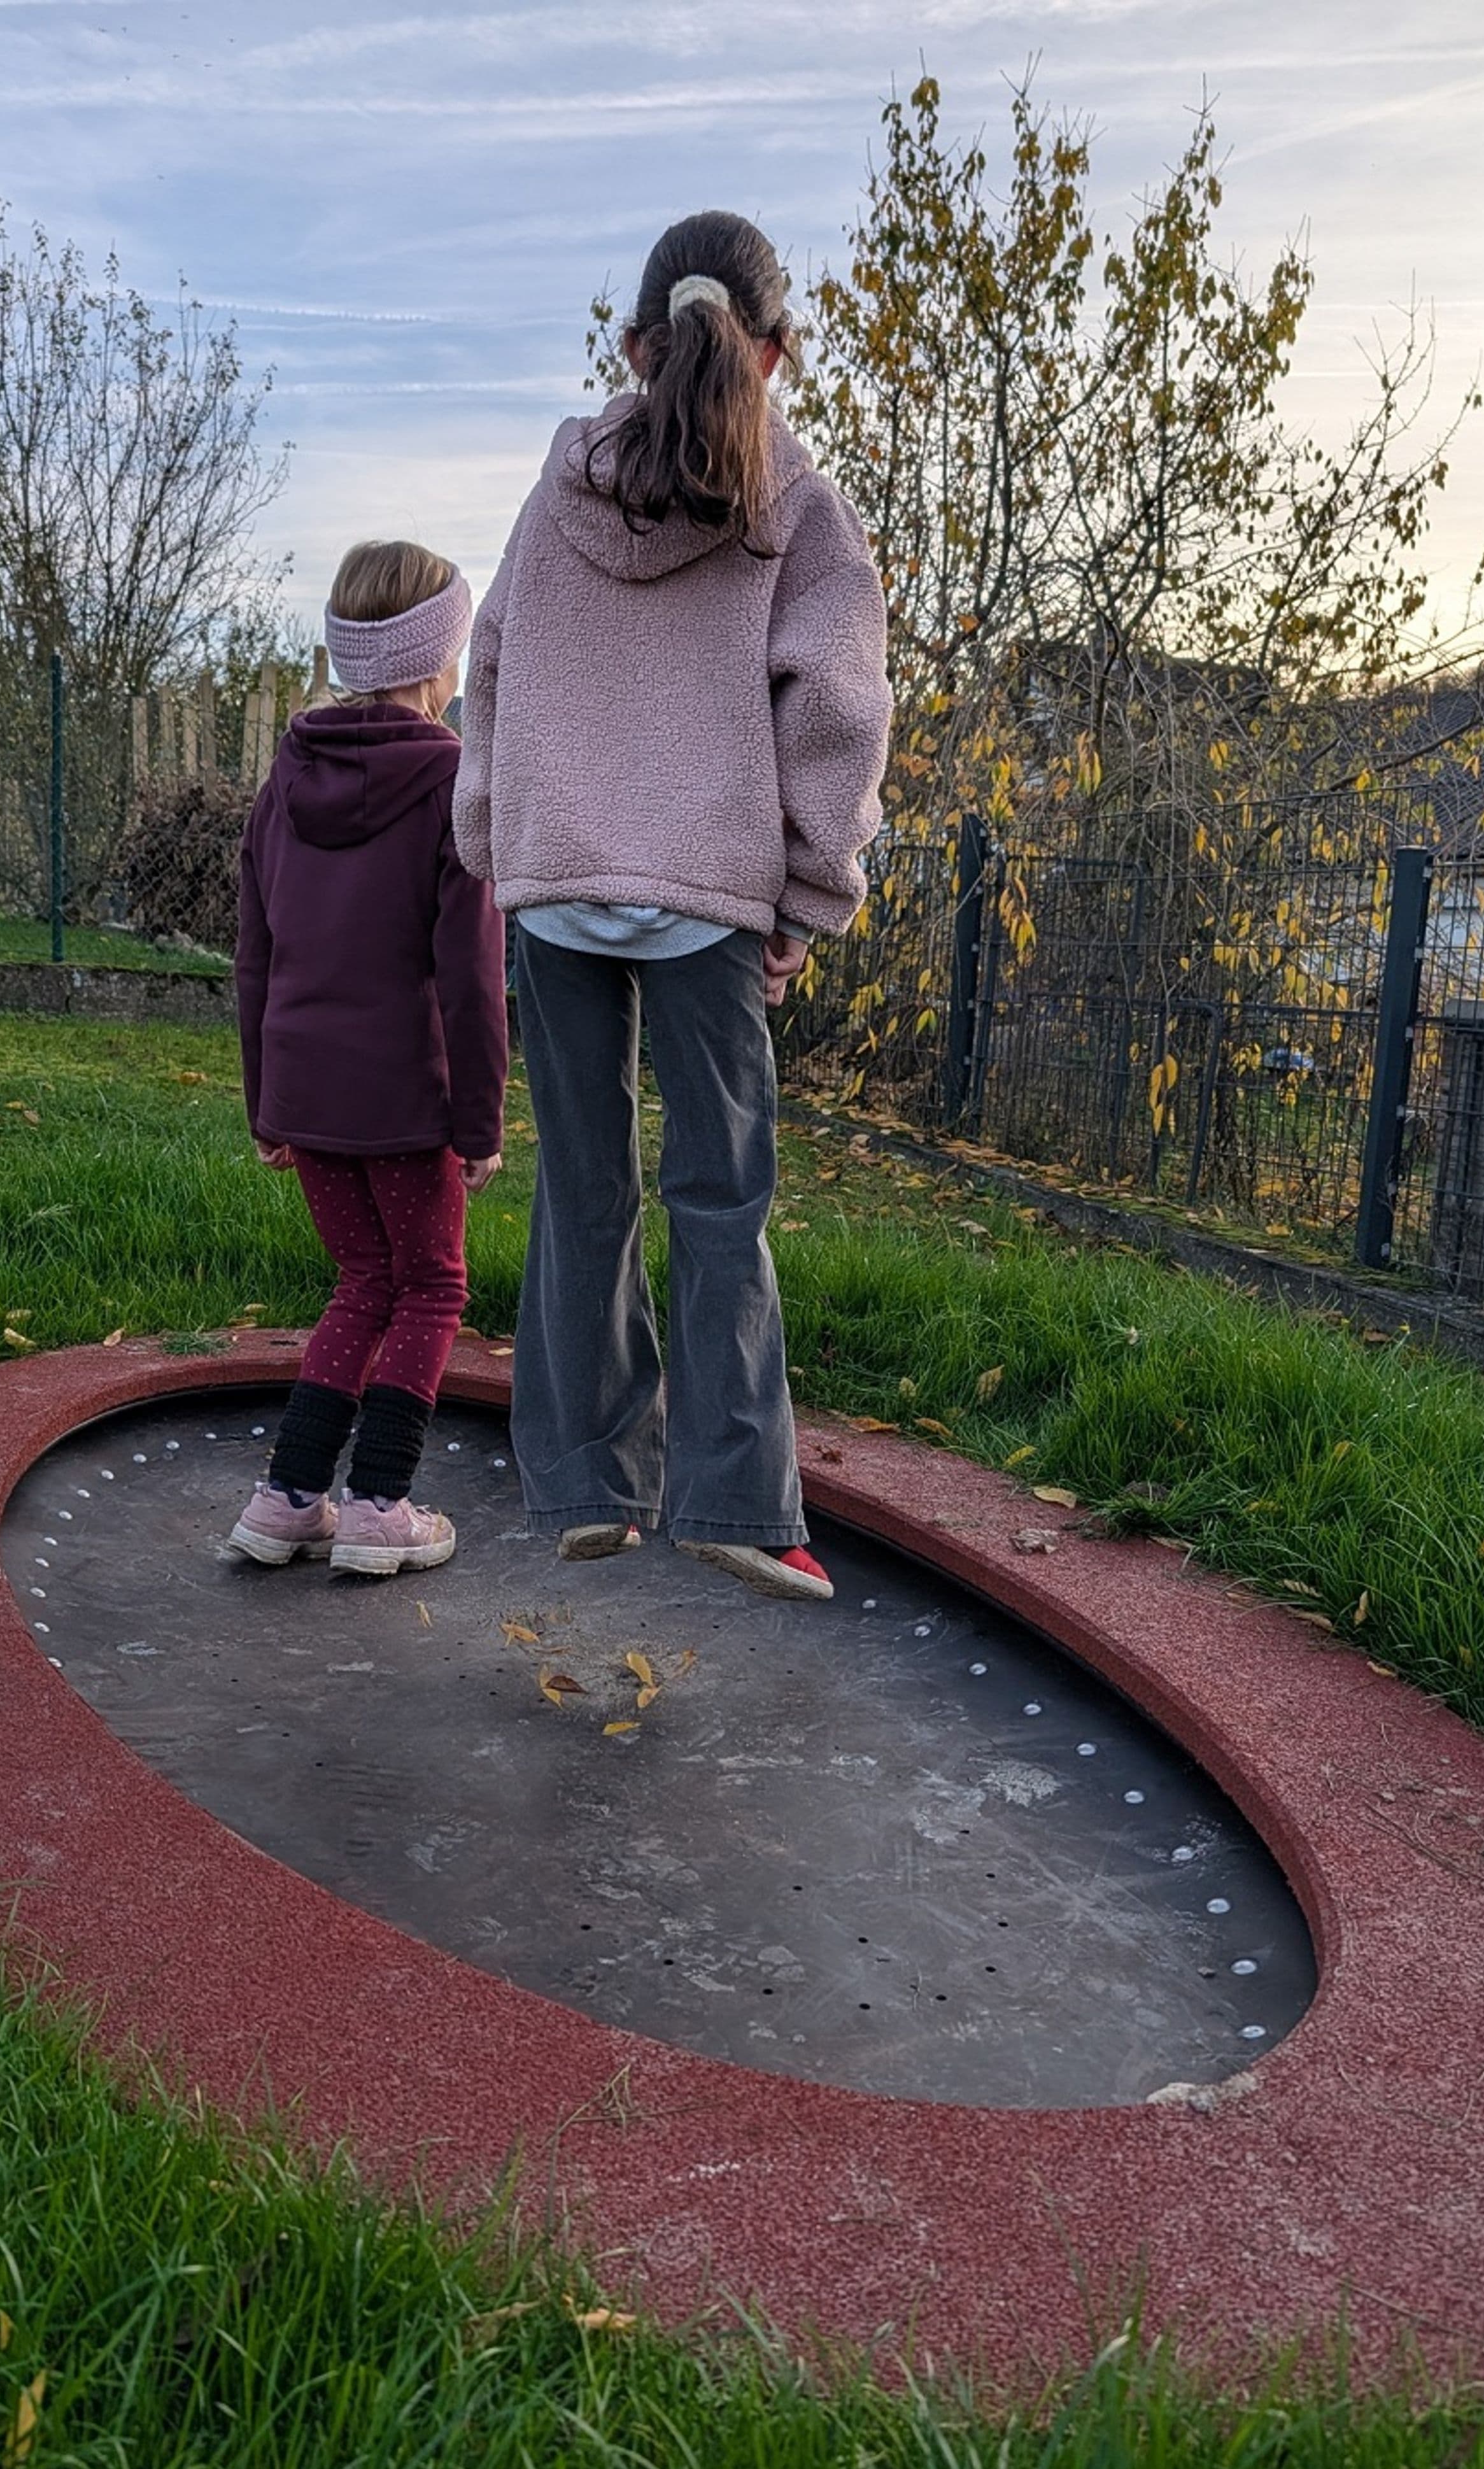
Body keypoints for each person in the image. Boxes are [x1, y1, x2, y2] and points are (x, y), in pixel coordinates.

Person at [454, 211, 891, 1601]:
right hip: (708, 899)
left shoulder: (558, 487)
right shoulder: (799, 510)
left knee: (584, 1189)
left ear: (634, 347)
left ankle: (583, 1479)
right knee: (720, 1198)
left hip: (558, 890)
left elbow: (493, 664)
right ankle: (736, 1504)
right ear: (772, 353)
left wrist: (498, 842)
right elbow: (837, 704)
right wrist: (809, 890)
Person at [230, 539, 507, 1578]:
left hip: (306, 1089)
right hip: (407, 1096)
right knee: (430, 1286)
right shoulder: (450, 787)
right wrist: (478, 1122)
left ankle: (286, 1500)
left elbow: (255, 954)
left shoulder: (284, 776)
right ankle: (380, 1504)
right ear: (441, 658)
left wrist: (268, 1103)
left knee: (360, 1282)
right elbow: (473, 975)